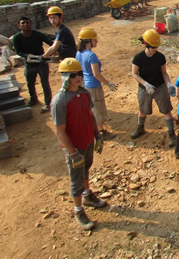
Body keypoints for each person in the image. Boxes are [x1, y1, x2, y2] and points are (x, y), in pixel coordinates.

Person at [50, 58, 106, 230]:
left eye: (79, 73)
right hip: (74, 148)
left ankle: (87, 195)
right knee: (76, 179)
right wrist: (73, 153)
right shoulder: (60, 101)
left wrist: (97, 135)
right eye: (73, 74)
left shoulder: (84, 93)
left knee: (86, 171)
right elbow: (60, 131)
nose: (77, 77)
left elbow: (90, 115)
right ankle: (78, 210)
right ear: (65, 77)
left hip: (88, 141)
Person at [131, 29, 176, 147]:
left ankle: (172, 134)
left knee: (166, 111)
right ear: (146, 44)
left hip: (160, 86)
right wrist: (145, 84)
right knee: (143, 110)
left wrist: (169, 84)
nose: (155, 49)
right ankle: (140, 128)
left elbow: (164, 73)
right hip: (144, 88)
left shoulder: (160, 57)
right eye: (153, 47)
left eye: (157, 47)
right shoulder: (138, 57)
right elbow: (134, 74)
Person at [76, 28, 117, 141]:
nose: (96, 42)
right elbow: (96, 74)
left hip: (84, 84)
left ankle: (92, 128)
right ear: (88, 41)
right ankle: (101, 131)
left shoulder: (79, 53)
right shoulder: (91, 56)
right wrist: (108, 83)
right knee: (98, 108)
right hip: (93, 86)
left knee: (89, 107)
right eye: (95, 40)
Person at [12, 16, 53, 112]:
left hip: (41, 62)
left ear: (31, 24)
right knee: (30, 83)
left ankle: (48, 103)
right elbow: (18, 51)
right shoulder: (16, 38)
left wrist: (48, 54)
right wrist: (28, 56)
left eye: (27, 22)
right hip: (29, 63)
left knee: (45, 83)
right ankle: (33, 99)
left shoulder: (38, 35)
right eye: (23, 23)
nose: (25, 24)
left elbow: (51, 43)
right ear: (19, 26)